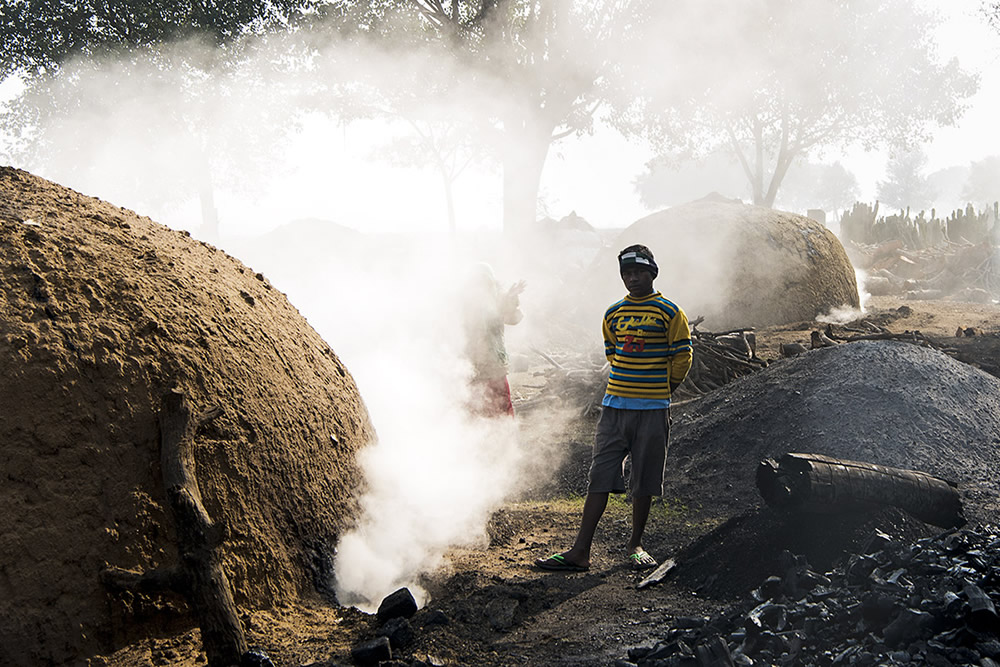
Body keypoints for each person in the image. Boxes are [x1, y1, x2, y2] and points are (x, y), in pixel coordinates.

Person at [535, 244, 692, 572]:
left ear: (652, 272)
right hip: (614, 408)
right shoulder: (613, 313)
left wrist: (664, 389)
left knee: (644, 479)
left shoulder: (670, 312)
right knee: (600, 476)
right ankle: (581, 551)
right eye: (626, 273)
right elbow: (612, 353)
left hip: (651, 409)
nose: (632, 279)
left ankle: (635, 543)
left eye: (638, 272)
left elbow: (682, 356)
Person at [463, 262, 525, 418]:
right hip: (472, 369)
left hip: (494, 368)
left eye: (485, 282)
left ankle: (503, 440)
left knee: (500, 411)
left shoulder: (497, 300)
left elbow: (514, 318)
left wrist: (511, 300)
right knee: (474, 412)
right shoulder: (465, 304)